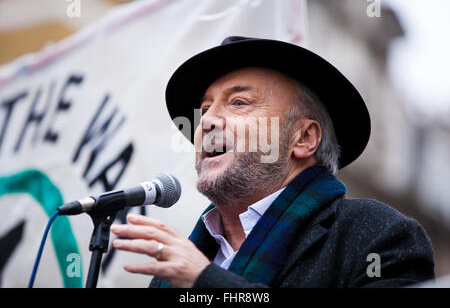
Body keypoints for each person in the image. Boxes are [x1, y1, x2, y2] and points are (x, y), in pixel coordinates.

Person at [110, 36, 435, 288]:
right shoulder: (174, 271)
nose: (206, 120)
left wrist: (207, 282)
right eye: (204, 108)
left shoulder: (377, 236)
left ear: (304, 138)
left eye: (238, 102)